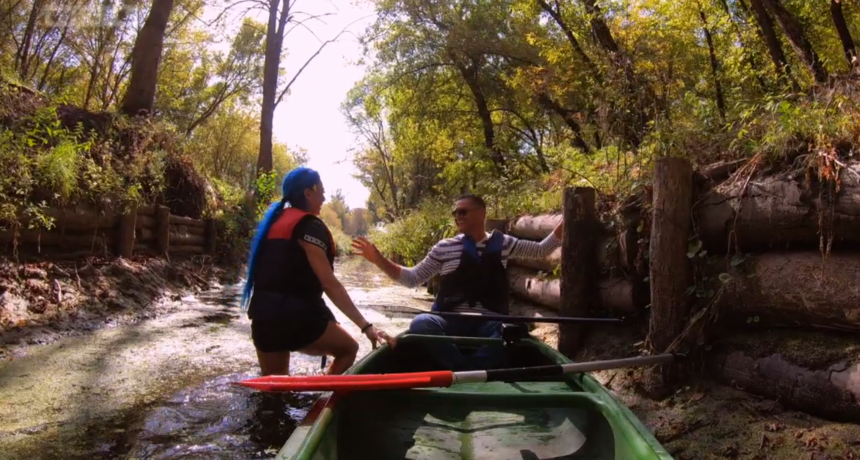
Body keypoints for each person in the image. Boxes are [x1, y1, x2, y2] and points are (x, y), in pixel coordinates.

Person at [352, 194, 563, 370]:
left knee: (515, 329)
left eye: (463, 212)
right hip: (448, 320)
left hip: (488, 324)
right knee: (421, 323)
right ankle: (468, 370)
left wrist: (563, 226)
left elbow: (541, 250)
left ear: (481, 214)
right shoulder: (444, 247)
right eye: (455, 213)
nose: (457, 216)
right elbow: (412, 278)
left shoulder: (505, 244)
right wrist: (378, 259)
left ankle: (462, 370)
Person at [240, 167, 392, 376]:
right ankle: (320, 401)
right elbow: (329, 284)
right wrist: (366, 326)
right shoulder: (310, 226)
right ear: (307, 193)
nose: (324, 196)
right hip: (297, 320)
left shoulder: (271, 223)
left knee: (274, 392)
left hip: (263, 320)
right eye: (321, 190)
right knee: (349, 349)